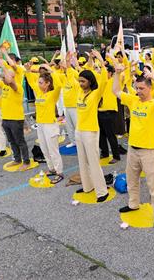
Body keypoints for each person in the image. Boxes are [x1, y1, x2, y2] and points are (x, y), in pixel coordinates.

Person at [113, 63, 154, 228]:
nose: (138, 91)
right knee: (132, 180)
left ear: (150, 89)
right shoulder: (134, 100)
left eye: (142, 88)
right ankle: (133, 204)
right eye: (137, 88)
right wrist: (116, 73)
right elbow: (116, 91)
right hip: (133, 150)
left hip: (149, 152)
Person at [73, 50, 110, 202]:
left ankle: (102, 191)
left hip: (90, 132)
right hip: (79, 131)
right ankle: (88, 186)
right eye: (79, 81)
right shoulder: (80, 93)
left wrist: (101, 60)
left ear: (90, 81)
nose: (81, 84)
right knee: (82, 160)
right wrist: (86, 60)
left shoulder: (95, 94)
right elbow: (79, 71)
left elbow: (104, 80)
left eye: (83, 81)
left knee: (93, 162)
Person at [0, 53, 30, 170]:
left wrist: (4, 67)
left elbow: (10, 80)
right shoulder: (3, 85)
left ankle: (26, 161)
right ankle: (17, 159)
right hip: (6, 118)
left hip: (16, 119)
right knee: (11, 141)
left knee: (20, 141)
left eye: (5, 76)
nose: (2, 77)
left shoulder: (17, 87)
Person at [25, 62, 65, 184]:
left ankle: (59, 172)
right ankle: (51, 168)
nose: (38, 84)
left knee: (53, 150)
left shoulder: (52, 94)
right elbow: (31, 81)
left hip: (50, 125)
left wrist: (51, 70)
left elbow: (58, 85)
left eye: (41, 82)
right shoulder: (39, 92)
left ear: (47, 84)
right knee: (44, 148)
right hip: (41, 125)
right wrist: (27, 70)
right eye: (39, 82)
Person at [97, 64, 121, 163]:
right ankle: (105, 152)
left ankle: (116, 156)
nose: (101, 72)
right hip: (99, 111)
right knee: (101, 135)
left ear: (110, 73)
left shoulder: (113, 81)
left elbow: (119, 75)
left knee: (111, 135)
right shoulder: (100, 80)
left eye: (105, 71)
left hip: (110, 112)